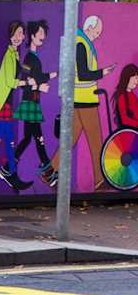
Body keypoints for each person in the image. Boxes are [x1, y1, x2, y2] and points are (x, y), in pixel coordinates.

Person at [46, 15, 115, 191]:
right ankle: (100, 180)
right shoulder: (80, 44)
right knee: (96, 141)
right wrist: (103, 72)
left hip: (79, 98)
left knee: (69, 140)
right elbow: (83, 73)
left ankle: (49, 172)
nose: (98, 35)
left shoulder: (81, 42)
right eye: (97, 31)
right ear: (89, 28)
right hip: (85, 99)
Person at [0, 21, 31, 191]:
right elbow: (10, 81)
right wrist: (26, 81)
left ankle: (9, 173)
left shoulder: (15, 54)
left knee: (4, 140)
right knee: (5, 140)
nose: (20, 36)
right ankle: (10, 173)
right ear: (10, 36)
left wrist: (31, 71)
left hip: (6, 103)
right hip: (1, 102)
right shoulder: (9, 55)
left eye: (22, 33)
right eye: (17, 33)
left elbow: (21, 68)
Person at [15, 19, 57, 186]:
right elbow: (24, 79)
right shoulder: (29, 58)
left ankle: (8, 168)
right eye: (40, 33)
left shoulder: (34, 57)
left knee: (27, 139)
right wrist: (40, 85)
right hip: (30, 103)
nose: (43, 36)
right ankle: (48, 172)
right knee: (38, 139)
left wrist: (53, 75)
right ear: (32, 36)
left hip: (33, 102)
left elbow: (37, 76)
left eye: (43, 34)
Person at [116, 64, 138, 130]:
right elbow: (125, 120)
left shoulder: (132, 95)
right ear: (128, 77)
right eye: (136, 78)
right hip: (131, 130)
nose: (137, 81)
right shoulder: (122, 97)